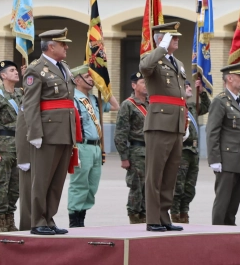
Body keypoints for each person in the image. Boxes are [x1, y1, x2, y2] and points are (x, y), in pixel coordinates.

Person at [23, 29, 79, 235]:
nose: (66, 47)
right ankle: (37, 220)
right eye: (62, 44)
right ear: (51, 46)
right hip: (47, 132)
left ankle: (49, 218)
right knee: (42, 179)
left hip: (65, 131)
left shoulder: (64, 67)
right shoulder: (36, 69)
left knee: (56, 180)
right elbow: (30, 104)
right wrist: (35, 133)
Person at [139, 22, 187, 232]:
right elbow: (144, 67)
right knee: (155, 173)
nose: (176, 40)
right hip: (159, 123)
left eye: (176, 38)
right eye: (172, 37)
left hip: (176, 124)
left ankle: (164, 216)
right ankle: (152, 218)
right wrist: (160, 48)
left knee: (170, 173)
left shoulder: (177, 63)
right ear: (161, 40)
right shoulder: (152, 59)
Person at [68, 64, 119, 227]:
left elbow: (115, 106)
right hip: (81, 146)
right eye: (88, 77)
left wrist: (103, 87)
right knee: (79, 183)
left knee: (92, 185)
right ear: (77, 80)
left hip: (97, 147)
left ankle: (82, 215)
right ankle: (75, 219)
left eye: (92, 77)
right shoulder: (73, 98)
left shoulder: (95, 99)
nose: (91, 79)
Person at [206, 63, 240, 226]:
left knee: (235, 201)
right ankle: (217, 231)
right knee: (223, 200)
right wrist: (214, 159)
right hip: (227, 159)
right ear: (229, 78)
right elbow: (212, 131)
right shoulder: (220, 101)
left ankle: (229, 230)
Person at [0, 60, 23, 232]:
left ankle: (10, 218)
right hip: (3, 146)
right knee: (3, 185)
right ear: (3, 75)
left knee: (16, 186)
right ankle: (1, 221)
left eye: (16, 70)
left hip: (19, 146)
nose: (16, 73)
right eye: (12, 70)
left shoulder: (20, 94)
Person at [171, 79, 210, 223]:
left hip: (193, 151)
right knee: (178, 185)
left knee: (189, 186)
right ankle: (174, 213)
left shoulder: (192, 107)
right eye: (186, 86)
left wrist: (202, 92)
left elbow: (207, 107)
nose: (189, 88)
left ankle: (184, 212)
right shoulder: (175, 106)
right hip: (181, 150)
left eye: (189, 86)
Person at [114, 72, 149, 224]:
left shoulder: (151, 103)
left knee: (149, 189)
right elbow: (121, 133)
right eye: (143, 82)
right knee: (137, 188)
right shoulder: (128, 105)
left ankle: (147, 218)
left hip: (151, 152)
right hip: (136, 151)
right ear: (134, 85)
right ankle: (135, 220)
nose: (146, 85)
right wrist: (124, 157)